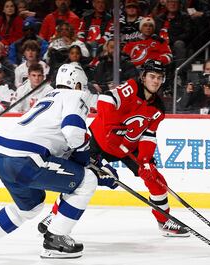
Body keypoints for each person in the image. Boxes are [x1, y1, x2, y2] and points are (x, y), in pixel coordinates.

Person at [0, 63, 118, 258]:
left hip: (3, 156)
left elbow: (58, 146)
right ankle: (56, 238)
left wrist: (92, 165)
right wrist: (92, 169)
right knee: (87, 181)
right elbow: (73, 133)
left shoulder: (48, 97)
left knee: (30, 206)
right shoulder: (75, 96)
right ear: (77, 85)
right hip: (26, 159)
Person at [38, 60, 191, 238]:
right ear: (143, 77)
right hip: (101, 141)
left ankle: (164, 220)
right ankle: (55, 215)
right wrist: (111, 127)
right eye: (152, 76)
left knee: (156, 180)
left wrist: (145, 161)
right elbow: (105, 99)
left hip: (128, 147)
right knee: (81, 179)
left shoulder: (158, 108)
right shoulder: (132, 88)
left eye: (159, 77)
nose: (155, 81)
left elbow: (148, 136)